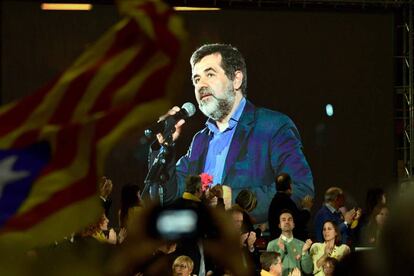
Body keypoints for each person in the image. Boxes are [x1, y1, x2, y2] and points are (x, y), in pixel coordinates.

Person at [152, 43, 313, 223]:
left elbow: (300, 190)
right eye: (196, 80)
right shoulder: (200, 140)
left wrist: (232, 200)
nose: (200, 85)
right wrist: (166, 147)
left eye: (210, 74)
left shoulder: (272, 127)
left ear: (236, 79)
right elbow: (167, 195)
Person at [266, 210, 313, 276]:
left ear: (293, 225)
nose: (287, 222)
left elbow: (308, 270)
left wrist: (304, 252)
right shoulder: (272, 245)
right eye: (283, 220)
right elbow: (269, 269)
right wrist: (281, 251)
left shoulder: (302, 244)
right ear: (279, 225)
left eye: (289, 219)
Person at [268, 173, 312, 241]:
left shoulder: (276, 201)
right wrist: (306, 208)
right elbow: (298, 222)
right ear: (290, 185)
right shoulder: (285, 201)